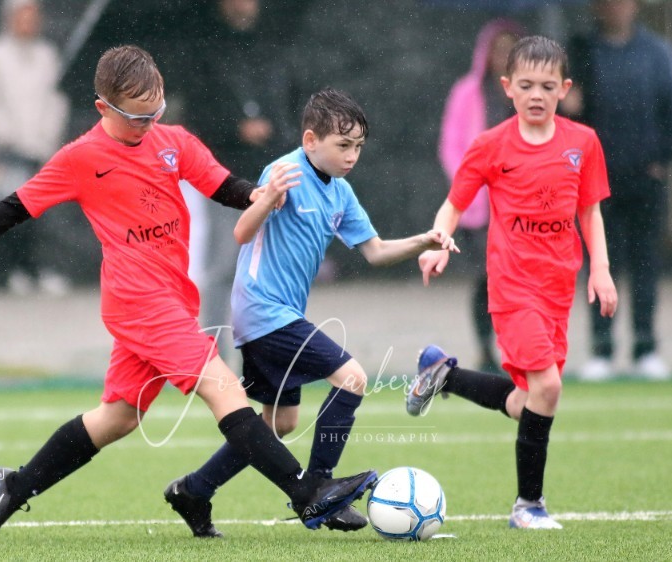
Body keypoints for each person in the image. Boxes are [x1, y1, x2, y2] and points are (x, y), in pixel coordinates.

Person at [0, 45, 377, 542]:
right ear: (103, 108)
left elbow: (224, 186)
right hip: (137, 302)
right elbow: (16, 205)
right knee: (222, 386)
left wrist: (263, 197)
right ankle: (307, 493)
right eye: (137, 118)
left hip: (173, 297)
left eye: (156, 112)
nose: (149, 125)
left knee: (118, 418)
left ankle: (11, 487)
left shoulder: (174, 141)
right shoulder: (81, 158)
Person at [164, 88, 458, 536]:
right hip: (264, 312)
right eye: (343, 145)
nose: (352, 155)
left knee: (276, 425)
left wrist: (425, 240)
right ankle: (320, 490)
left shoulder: (340, 193)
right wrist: (265, 199)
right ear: (310, 141)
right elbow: (242, 233)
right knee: (354, 378)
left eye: (358, 146)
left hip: (275, 317)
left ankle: (193, 490)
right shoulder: (284, 173)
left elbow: (375, 252)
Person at [407, 36, 618, 530]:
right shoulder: (490, 145)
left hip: (558, 289)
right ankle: (528, 505)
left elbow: (590, 211)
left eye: (548, 85)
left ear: (565, 88)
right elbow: (454, 204)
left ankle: (444, 374)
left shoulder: (582, 143)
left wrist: (602, 270)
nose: (537, 94)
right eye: (526, 85)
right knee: (549, 387)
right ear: (507, 87)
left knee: (528, 401)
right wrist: (439, 242)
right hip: (512, 287)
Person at [563, 0, 672, 381]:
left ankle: (645, 347)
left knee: (645, 264)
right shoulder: (581, 51)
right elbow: (564, 112)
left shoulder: (657, 53)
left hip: (644, 180)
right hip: (594, 183)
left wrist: (660, 157)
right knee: (601, 265)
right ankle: (602, 349)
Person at [181, 0, 301, 361]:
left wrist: (276, 131)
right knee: (224, 265)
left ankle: (266, 351)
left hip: (271, 173)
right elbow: (196, 114)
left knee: (270, 268)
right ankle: (214, 353)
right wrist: (235, 129)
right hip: (226, 176)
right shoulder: (205, 50)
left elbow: (292, 105)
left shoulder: (275, 48)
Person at [437, 18, 524, 372]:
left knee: (517, 279)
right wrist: (471, 182)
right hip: (480, 205)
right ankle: (486, 346)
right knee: (486, 279)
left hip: (519, 203)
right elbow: (451, 144)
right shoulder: (467, 92)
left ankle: (516, 345)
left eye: (510, 50)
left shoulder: (526, 94)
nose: (502, 56)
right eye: (498, 50)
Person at [0, 0, 71, 295]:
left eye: (33, 16)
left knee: (45, 213)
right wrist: (10, 135)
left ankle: (42, 269)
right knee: (12, 211)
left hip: (42, 150)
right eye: (23, 16)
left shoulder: (47, 55)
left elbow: (56, 100)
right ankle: (17, 271)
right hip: (7, 150)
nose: (29, 22)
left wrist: (48, 137)